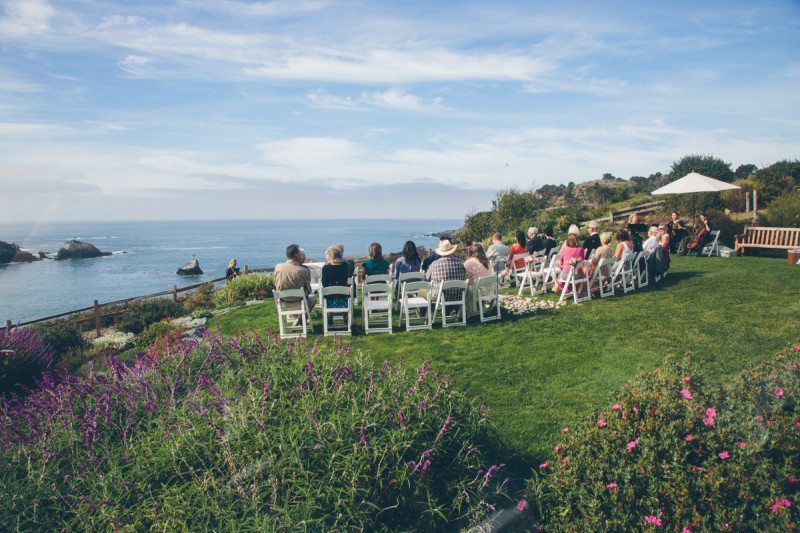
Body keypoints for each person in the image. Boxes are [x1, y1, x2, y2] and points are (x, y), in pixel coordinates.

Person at [274, 243, 317, 310]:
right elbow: (308, 290)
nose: (301, 255)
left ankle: (297, 318)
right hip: (300, 304)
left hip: (283, 304)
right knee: (313, 297)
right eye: (300, 253)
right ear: (296, 255)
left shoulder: (278, 267)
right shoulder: (303, 270)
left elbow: (276, 283)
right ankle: (300, 319)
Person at [464, 243, 493, 318]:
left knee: (467, 286)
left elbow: (465, 278)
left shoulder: (469, 262)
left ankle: (469, 310)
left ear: (472, 252)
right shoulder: (487, 263)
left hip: (478, 292)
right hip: (489, 291)